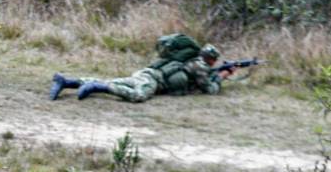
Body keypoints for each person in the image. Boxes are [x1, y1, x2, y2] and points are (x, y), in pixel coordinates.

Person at [50, 40, 232, 102]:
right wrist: (222, 76)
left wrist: (217, 73)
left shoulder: (191, 60)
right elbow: (209, 89)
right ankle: (99, 87)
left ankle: (67, 82)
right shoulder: (200, 66)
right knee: (139, 96)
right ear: (211, 58)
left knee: (119, 82)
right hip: (153, 80)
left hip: (145, 73)